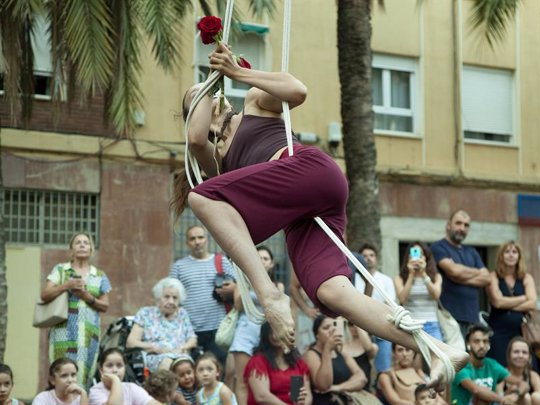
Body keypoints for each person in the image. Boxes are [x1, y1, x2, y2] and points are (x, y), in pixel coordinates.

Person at [176, 42, 467, 390]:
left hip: (310, 172)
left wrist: (234, 72)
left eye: (210, 92)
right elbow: (195, 139)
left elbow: (297, 91)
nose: (209, 97)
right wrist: (207, 83)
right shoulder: (214, 158)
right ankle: (436, 349)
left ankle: (268, 295)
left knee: (201, 198)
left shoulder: (254, 102)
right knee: (330, 293)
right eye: (199, 97)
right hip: (301, 213)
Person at [40, 232, 112, 385]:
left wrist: (87, 297)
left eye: (86, 243)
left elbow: (105, 305)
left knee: (84, 375)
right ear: (71, 249)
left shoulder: (99, 275)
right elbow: (45, 295)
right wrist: (67, 285)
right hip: (62, 331)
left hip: (88, 334)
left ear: (91, 249)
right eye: (78, 242)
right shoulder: (61, 270)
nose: (82, 245)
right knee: (61, 371)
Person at [170, 225, 235, 373]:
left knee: (220, 371)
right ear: (187, 242)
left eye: (200, 237)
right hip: (189, 332)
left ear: (207, 240)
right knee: (189, 375)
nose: (197, 241)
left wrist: (231, 288)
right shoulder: (178, 267)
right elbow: (171, 296)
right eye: (192, 238)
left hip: (218, 330)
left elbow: (238, 288)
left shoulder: (222, 262)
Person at [231, 247, 284, 405]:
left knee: (269, 377)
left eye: (265, 259)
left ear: (271, 264)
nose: (261, 261)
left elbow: (278, 309)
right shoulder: (242, 282)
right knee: (241, 380)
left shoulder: (278, 286)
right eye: (258, 258)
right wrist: (248, 281)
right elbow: (238, 305)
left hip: (268, 335)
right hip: (245, 332)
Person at [431, 210, 491, 336]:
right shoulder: (438, 247)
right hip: (449, 317)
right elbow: (453, 271)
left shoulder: (472, 252)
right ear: (448, 225)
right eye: (458, 223)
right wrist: (475, 272)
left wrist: (459, 277)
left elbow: (486, 278)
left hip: (472, 317)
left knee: (468, 356)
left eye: (466, 225)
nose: (462, 228)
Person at [126, 278, 197, 371]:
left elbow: (192, 339)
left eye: (175, 298)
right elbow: (131, 342)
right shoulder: (145, 314)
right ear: (158, 298)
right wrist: (155, 348)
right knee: (168, 362)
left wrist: (183, 347)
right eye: (167, 297)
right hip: (157, 357)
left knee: (189, 365)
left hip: (181, 357)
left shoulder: (182, 314)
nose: (171, 301)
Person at [486, 242, 537, 365]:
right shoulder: (493, 276)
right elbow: (497, 302)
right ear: (501, 256)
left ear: (519, 256)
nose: (511, 255)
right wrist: (523, 297)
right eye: (507, 252)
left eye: (514, 252)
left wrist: (506, 303)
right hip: (498, 332)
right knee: (499, 367)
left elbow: (532, 304)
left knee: (526, 367)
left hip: (519, 331)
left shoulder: (526, 277)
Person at [451, 325, 526, 405]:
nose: (482, 346)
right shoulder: (462, 365)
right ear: (468, 344)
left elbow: (522, 383)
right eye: (477, 341)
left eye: (485, 341)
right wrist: (504, 400)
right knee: (481, 401)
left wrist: (516, 395)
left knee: (517, 391)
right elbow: (475, 390)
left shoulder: (491, 364)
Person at [303, 315, 368, 405]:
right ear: (317, 335)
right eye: (326, 328)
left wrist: (338, 387)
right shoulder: (311, 355)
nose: (331, 331)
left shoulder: (341, 352)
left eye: (334, 327)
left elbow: (362, 378)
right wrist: (327, 350)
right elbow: (323, 385)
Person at [244, 322, 312, 405]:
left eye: (280, 331)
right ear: (266, 335)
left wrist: (304, 401)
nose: (276, 336)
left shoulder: (298, 362)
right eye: (272, 332)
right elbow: (261, 396)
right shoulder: (258, 361)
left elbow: (308, 395)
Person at [355, 243, 396, 373]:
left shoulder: (386, 280)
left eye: (371, 255)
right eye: (364, 256)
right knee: (362, 368)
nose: (368, 258)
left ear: (376, 258)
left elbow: (391, 304)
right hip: (359, 329)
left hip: (382, 328)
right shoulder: (353, 279)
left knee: (384, 370)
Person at [395, 242, 443, 342]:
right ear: (408, 257)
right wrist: (411, 275)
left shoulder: (435, 277)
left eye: (420, 254)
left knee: (437, 356)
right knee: (410, 357)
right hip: (410, 324)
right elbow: (402, 299)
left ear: (426, 257)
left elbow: (436, 295)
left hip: (432, 323)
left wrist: (423, 274)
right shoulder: (400, 278)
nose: (417, 257)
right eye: (414, 253)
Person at [89, 348, 159, 405]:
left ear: (125, 369)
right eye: (109, 365)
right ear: (101, 370)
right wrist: (115, 380)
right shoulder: (95, 391)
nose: (115, 370)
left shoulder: (131, 387)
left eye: (119, 365)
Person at [501, 337, 540, 405]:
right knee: (525, 397)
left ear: (529, 357)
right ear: (509, 355)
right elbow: (498, 399)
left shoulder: (533, 375)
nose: (520, 355)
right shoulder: (502, 373)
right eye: (516, 352)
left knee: (537, 397)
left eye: (524, 352)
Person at [342, 320, 378, 390]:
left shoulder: (373, 347)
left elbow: (368, 348)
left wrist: (358, 322)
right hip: (344, 391)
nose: (354, 327)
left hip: (364, 393)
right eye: (351, 324)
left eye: (357, 325)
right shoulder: (342, 347)